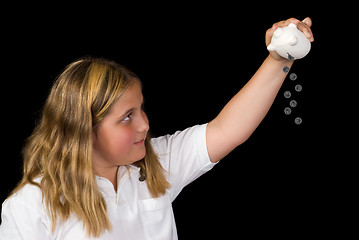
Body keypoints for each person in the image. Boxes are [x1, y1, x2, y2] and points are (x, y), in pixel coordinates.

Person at [0, 17, 314, 239]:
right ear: (83, 130)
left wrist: (278, 58)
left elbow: (228, 130)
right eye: (127, 117)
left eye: (141, 109)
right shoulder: (30, 206)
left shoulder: (155, 163)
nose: (145, 125)